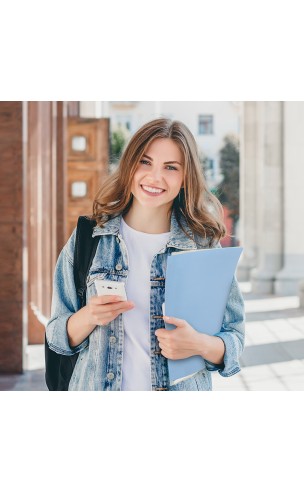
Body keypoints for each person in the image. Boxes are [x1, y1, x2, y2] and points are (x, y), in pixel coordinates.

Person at [46, 118, 245, 391]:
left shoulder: (203, 246)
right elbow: (56, 335)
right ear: (129, 165)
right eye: (145, 162)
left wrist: (199, 344)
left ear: (186, 177)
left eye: (171, 167)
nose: (155, 177)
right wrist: (88, 316)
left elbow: (234, 337)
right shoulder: (89, 238)